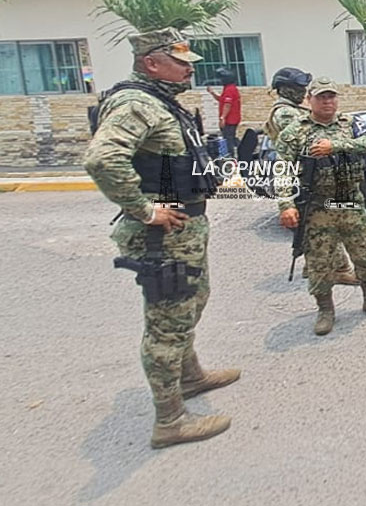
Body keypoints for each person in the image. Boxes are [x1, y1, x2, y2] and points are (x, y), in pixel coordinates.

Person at [84, 27, 239, 448]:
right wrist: (145, 210)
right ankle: (170, 420)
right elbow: (102, 158)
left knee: (188, 306)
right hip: (163, 236)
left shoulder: (161, 102)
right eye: (180, 61)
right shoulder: (136, 104)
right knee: (167, 325)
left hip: (184, 226)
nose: (189, 68)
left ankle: (190, 378)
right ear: (151, 62)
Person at [276, 77, 366, 336]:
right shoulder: (295, 131)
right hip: (317, 207)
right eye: (321, 97)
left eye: (331, 96)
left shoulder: (351, 123)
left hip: (351, 201)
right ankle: (325, 310)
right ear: (309, 100)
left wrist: (334, 146)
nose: (328, 102)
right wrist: (285, 204)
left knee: (362, 253)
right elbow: (282, 169)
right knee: (318, 262)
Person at [265, 67, 358, 287]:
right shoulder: (286, 113)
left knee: (316, 224)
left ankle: (324, 266)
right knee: (319, 223)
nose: (302, 92)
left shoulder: (292, 109)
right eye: (298, 88)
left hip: (309, 173)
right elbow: (305, 141)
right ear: (286, 89)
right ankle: (336, 269)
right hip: (303, 176)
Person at [205, 67, 241, 158]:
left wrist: (223, 118)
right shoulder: (228, 88)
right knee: (231, 137)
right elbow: (221, 100)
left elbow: (227, 104)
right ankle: (236, 151)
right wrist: (212, 92)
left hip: (230, 119)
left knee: (228, 138)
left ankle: (230, 157)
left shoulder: (230, 89)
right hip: (232, 119)